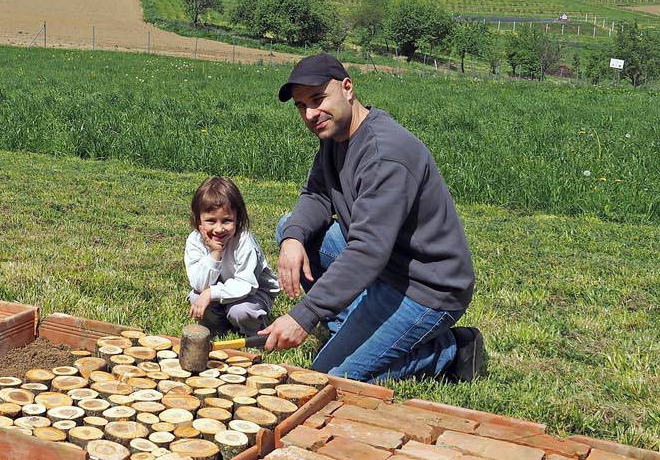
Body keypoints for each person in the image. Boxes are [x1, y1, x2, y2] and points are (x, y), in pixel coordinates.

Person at [257, 53, 486, 383]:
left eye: (318, 99)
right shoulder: (337, 136)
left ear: (347, 88)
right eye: (301, 106)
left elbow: (366, 253)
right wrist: (292, 238)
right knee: (292, 228)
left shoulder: (385, 154)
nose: (310, 114)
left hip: (426, 287)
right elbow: (317, 194)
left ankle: (448, 350)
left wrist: (304, 316)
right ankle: (349, 327)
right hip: (387, 266)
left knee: (331, 377)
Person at [184, 176, 279, 337]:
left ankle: (253, 332)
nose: (219, 229)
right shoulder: (195, 240)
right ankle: (218, 326)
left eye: (227, 221)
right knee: (196, 297)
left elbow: (247, 284)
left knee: (240, 311)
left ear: (238, 219)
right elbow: (200, 285)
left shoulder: (244, 242)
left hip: (253, 293)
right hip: (221, 289)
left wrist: (211, 293)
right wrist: (215, 253)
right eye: (211, 221)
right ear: (198, 219)